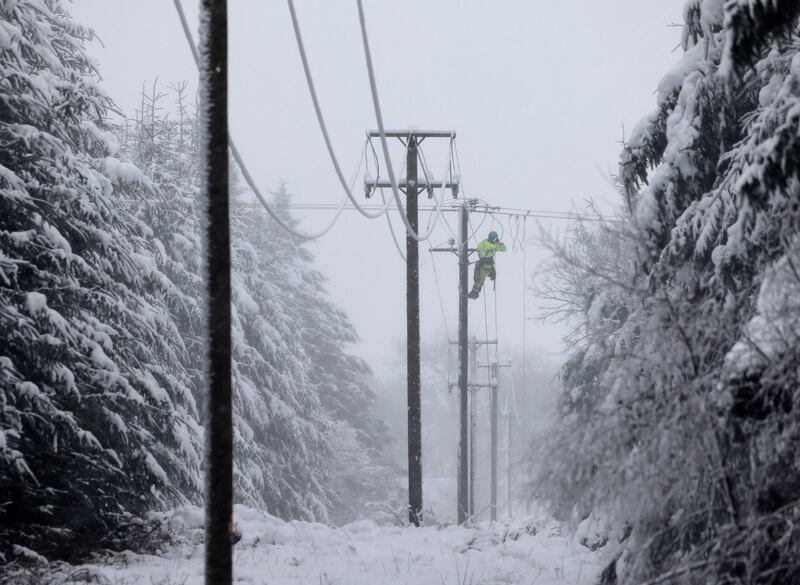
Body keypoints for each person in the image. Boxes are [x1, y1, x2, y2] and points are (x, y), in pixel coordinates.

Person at [468, 230, 506, 299]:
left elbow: (503, 249)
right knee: (479, 279)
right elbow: (498, 248)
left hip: (486, 265)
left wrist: (499, 244)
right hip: (485, 265)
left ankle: (475, 292)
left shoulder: (487, 244)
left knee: (480, 279)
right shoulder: (487, 244)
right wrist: (498, 244)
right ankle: (474, 292)